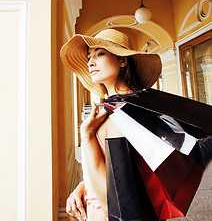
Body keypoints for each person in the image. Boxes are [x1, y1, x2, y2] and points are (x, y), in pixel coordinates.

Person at [60, 28, 162, 221]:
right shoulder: (114, 107)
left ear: (123, 60)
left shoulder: (126, 112)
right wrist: (83, 187)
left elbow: (117, 203)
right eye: (89, 56)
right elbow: (112, 169)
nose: (90, 62)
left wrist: (86, 134)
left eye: (100, 54)